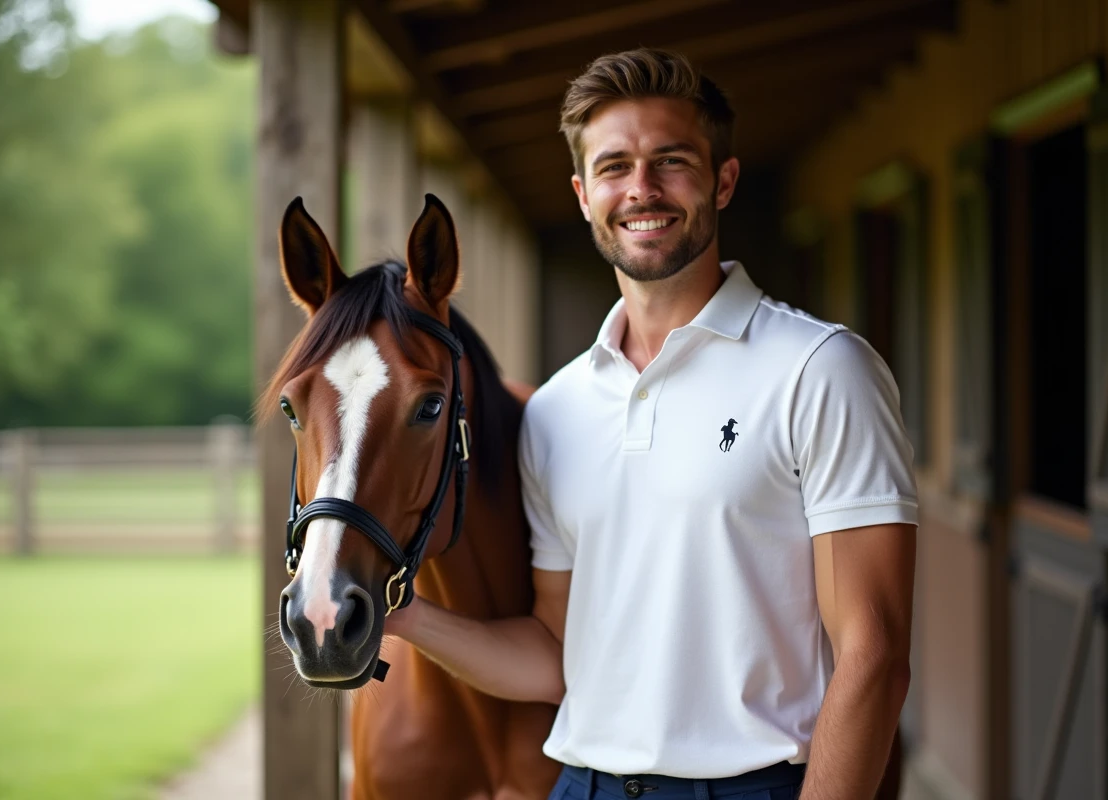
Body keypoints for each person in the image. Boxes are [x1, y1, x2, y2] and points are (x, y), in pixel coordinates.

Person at [385, 48, 918, 800]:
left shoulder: (821, 370)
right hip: (581, 785)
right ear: (582, 194)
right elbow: (555, 654)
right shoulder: (559, 410)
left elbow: (876, 652)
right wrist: (403, 619)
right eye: (614, 168)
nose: (641, 190)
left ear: (722, 181)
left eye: (670, 162)